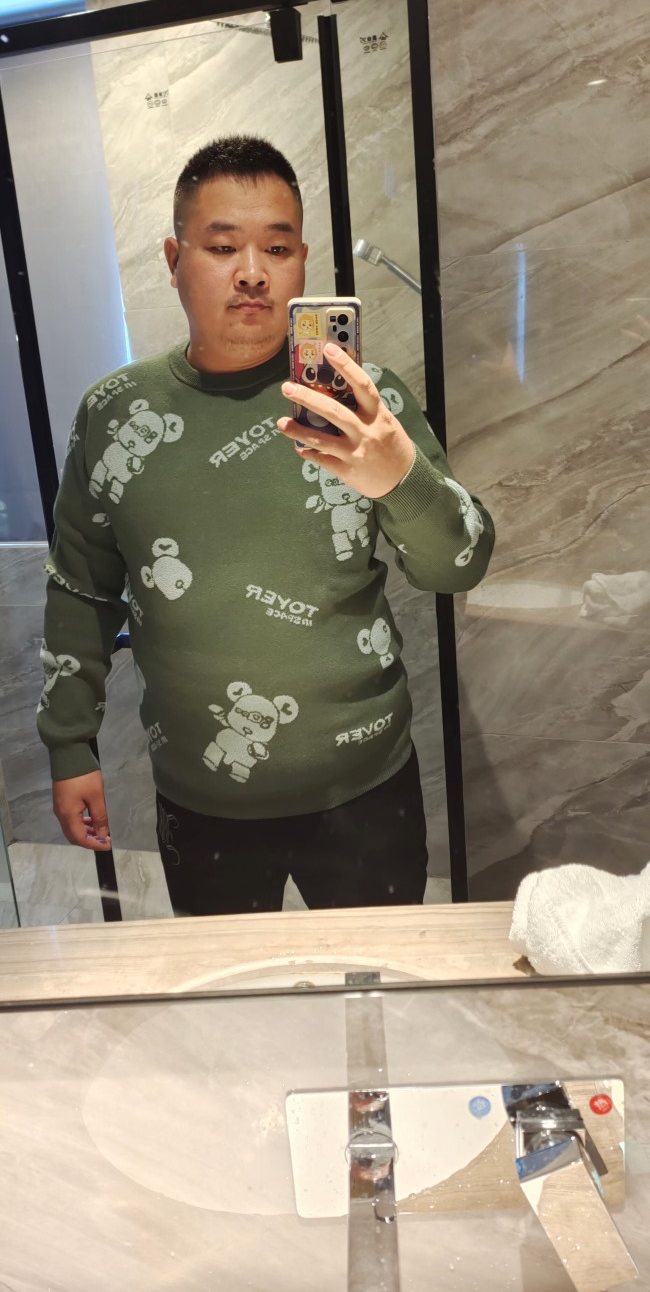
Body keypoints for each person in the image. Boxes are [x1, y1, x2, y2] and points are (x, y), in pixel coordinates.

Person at [37, 135, 495, 916]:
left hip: (365, 786)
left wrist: (401, 477)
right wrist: (69, 744)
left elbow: (461, 564)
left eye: (277, 248)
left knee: (371, 988)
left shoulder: (367, 402)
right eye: (223, 246)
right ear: (174, 258)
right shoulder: (115, 413)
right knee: (232, 995)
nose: (252, 271)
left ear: (303, 263)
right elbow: (82, 587)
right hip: (201, 799)